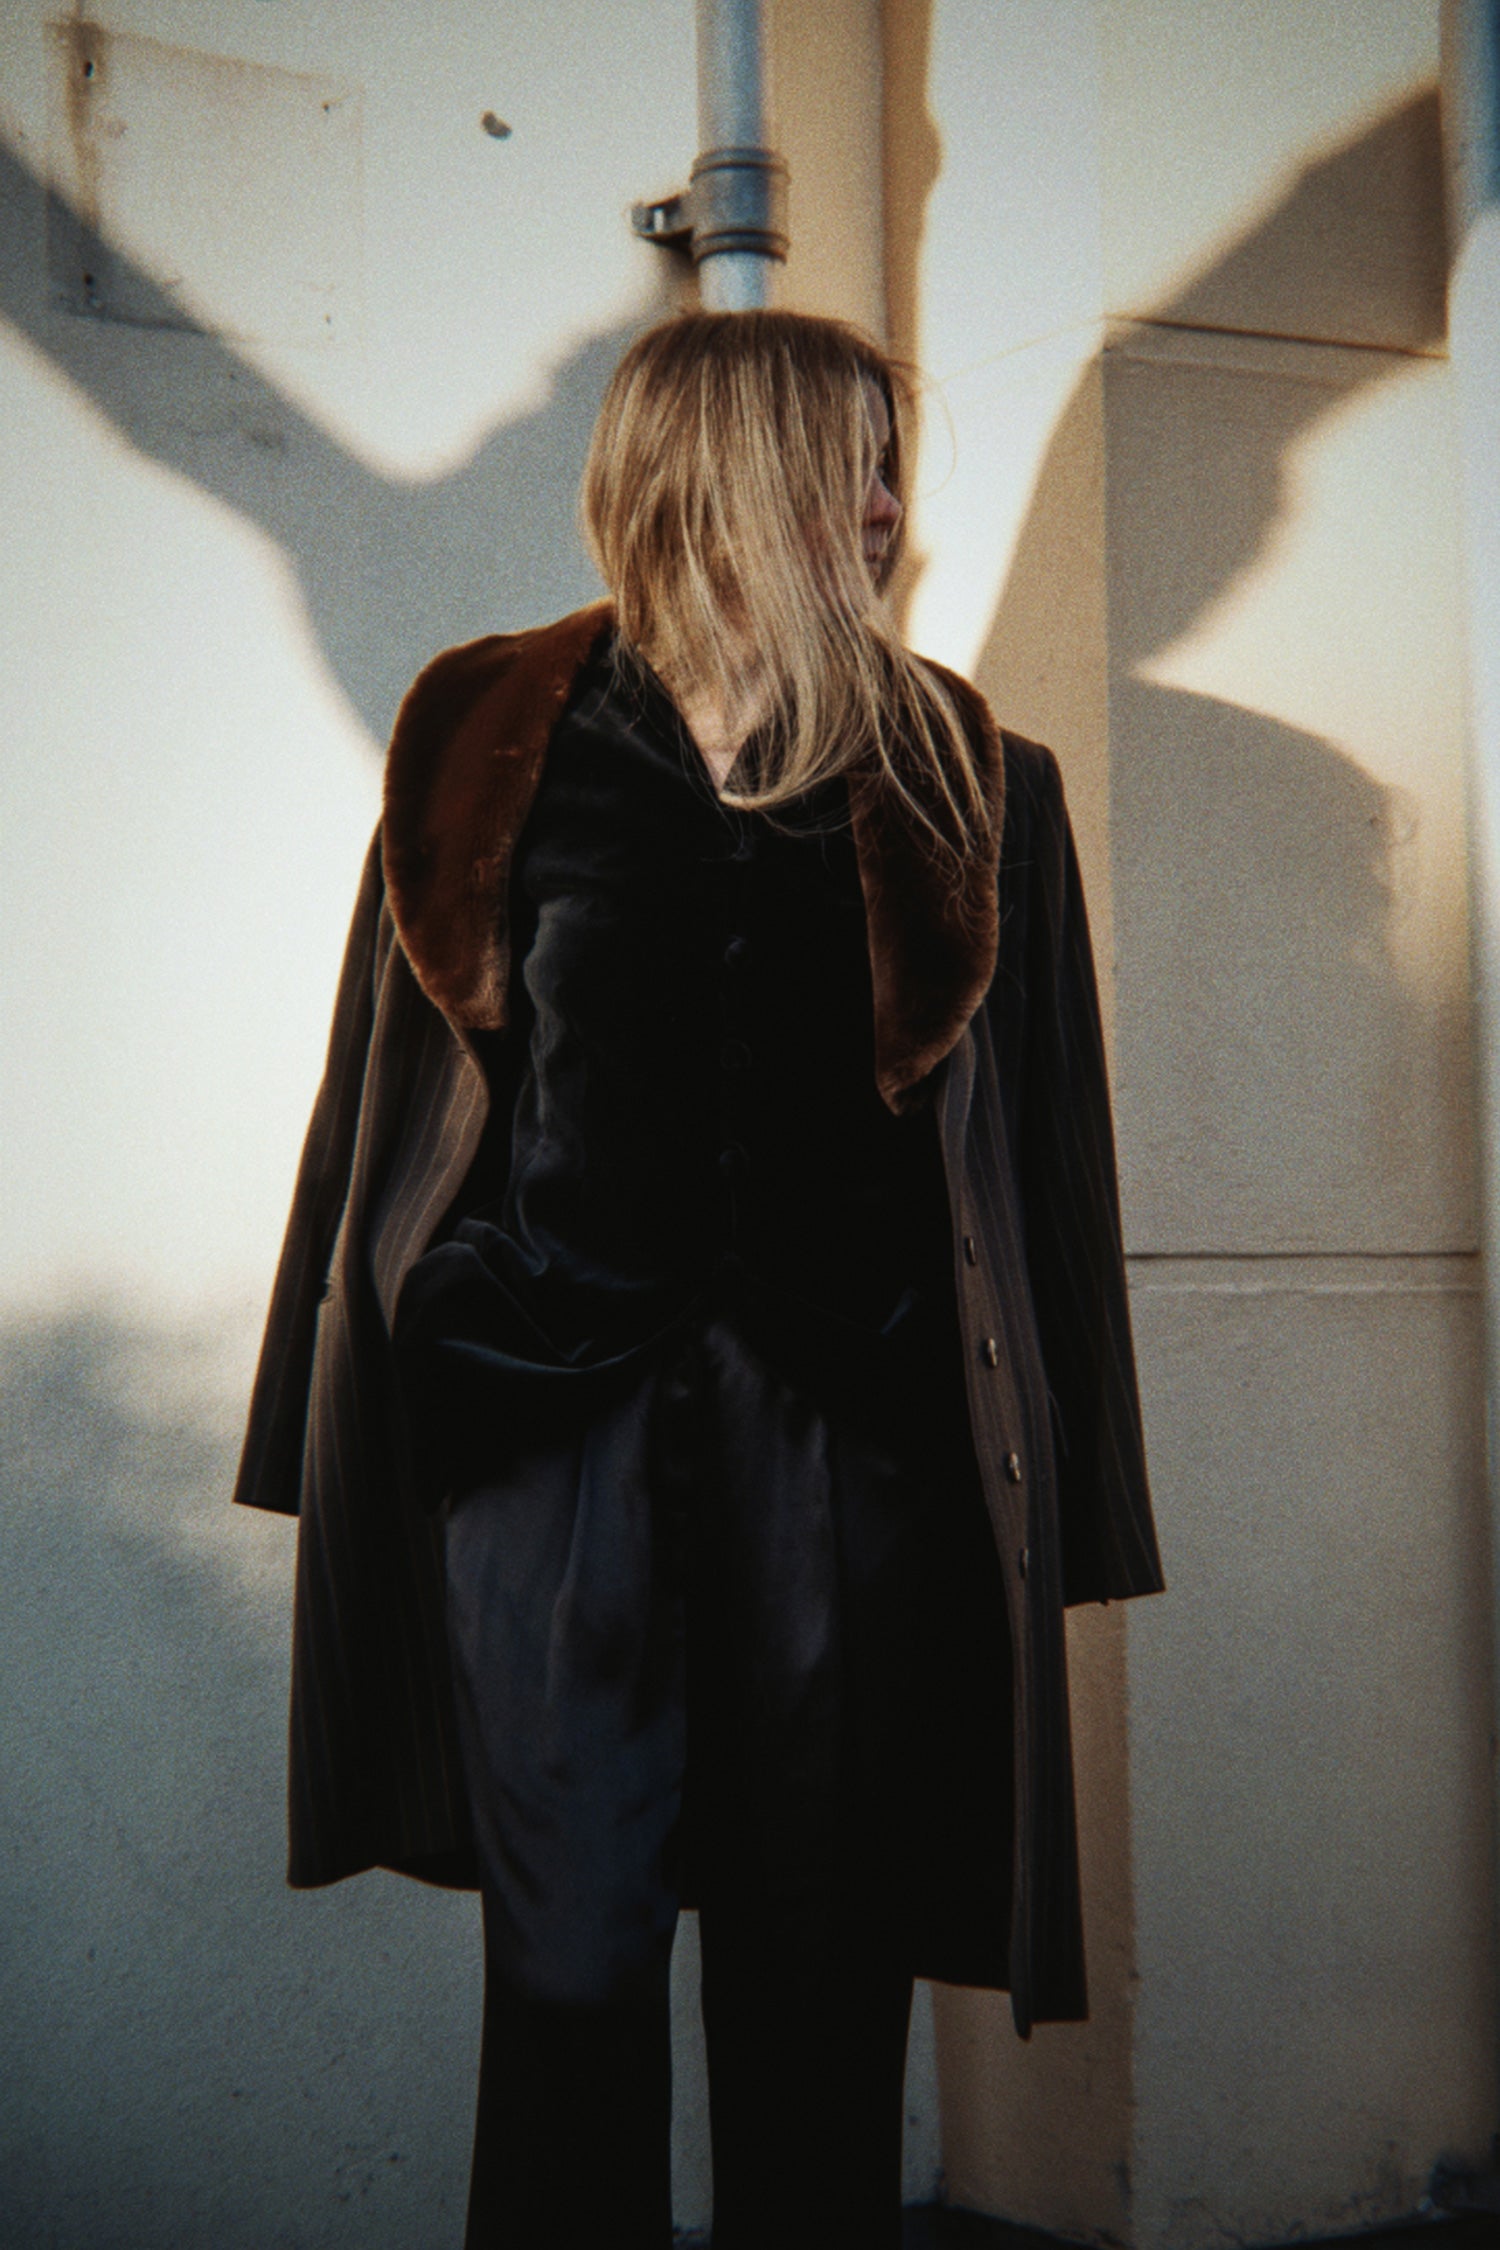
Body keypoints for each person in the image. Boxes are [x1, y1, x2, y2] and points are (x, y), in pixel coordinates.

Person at [232, 308, 1164, 2250]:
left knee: (820, 1990)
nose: (892, 507)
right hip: (550, 1454)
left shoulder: (973, 781)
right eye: (853, 465)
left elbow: (1047, 1164)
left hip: (847, 1461)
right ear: (720, 474)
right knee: (566, 1994)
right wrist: (370, 1384)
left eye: (893, 468)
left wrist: (1074, 1490)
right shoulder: (487, 735)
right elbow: (377, 1099)